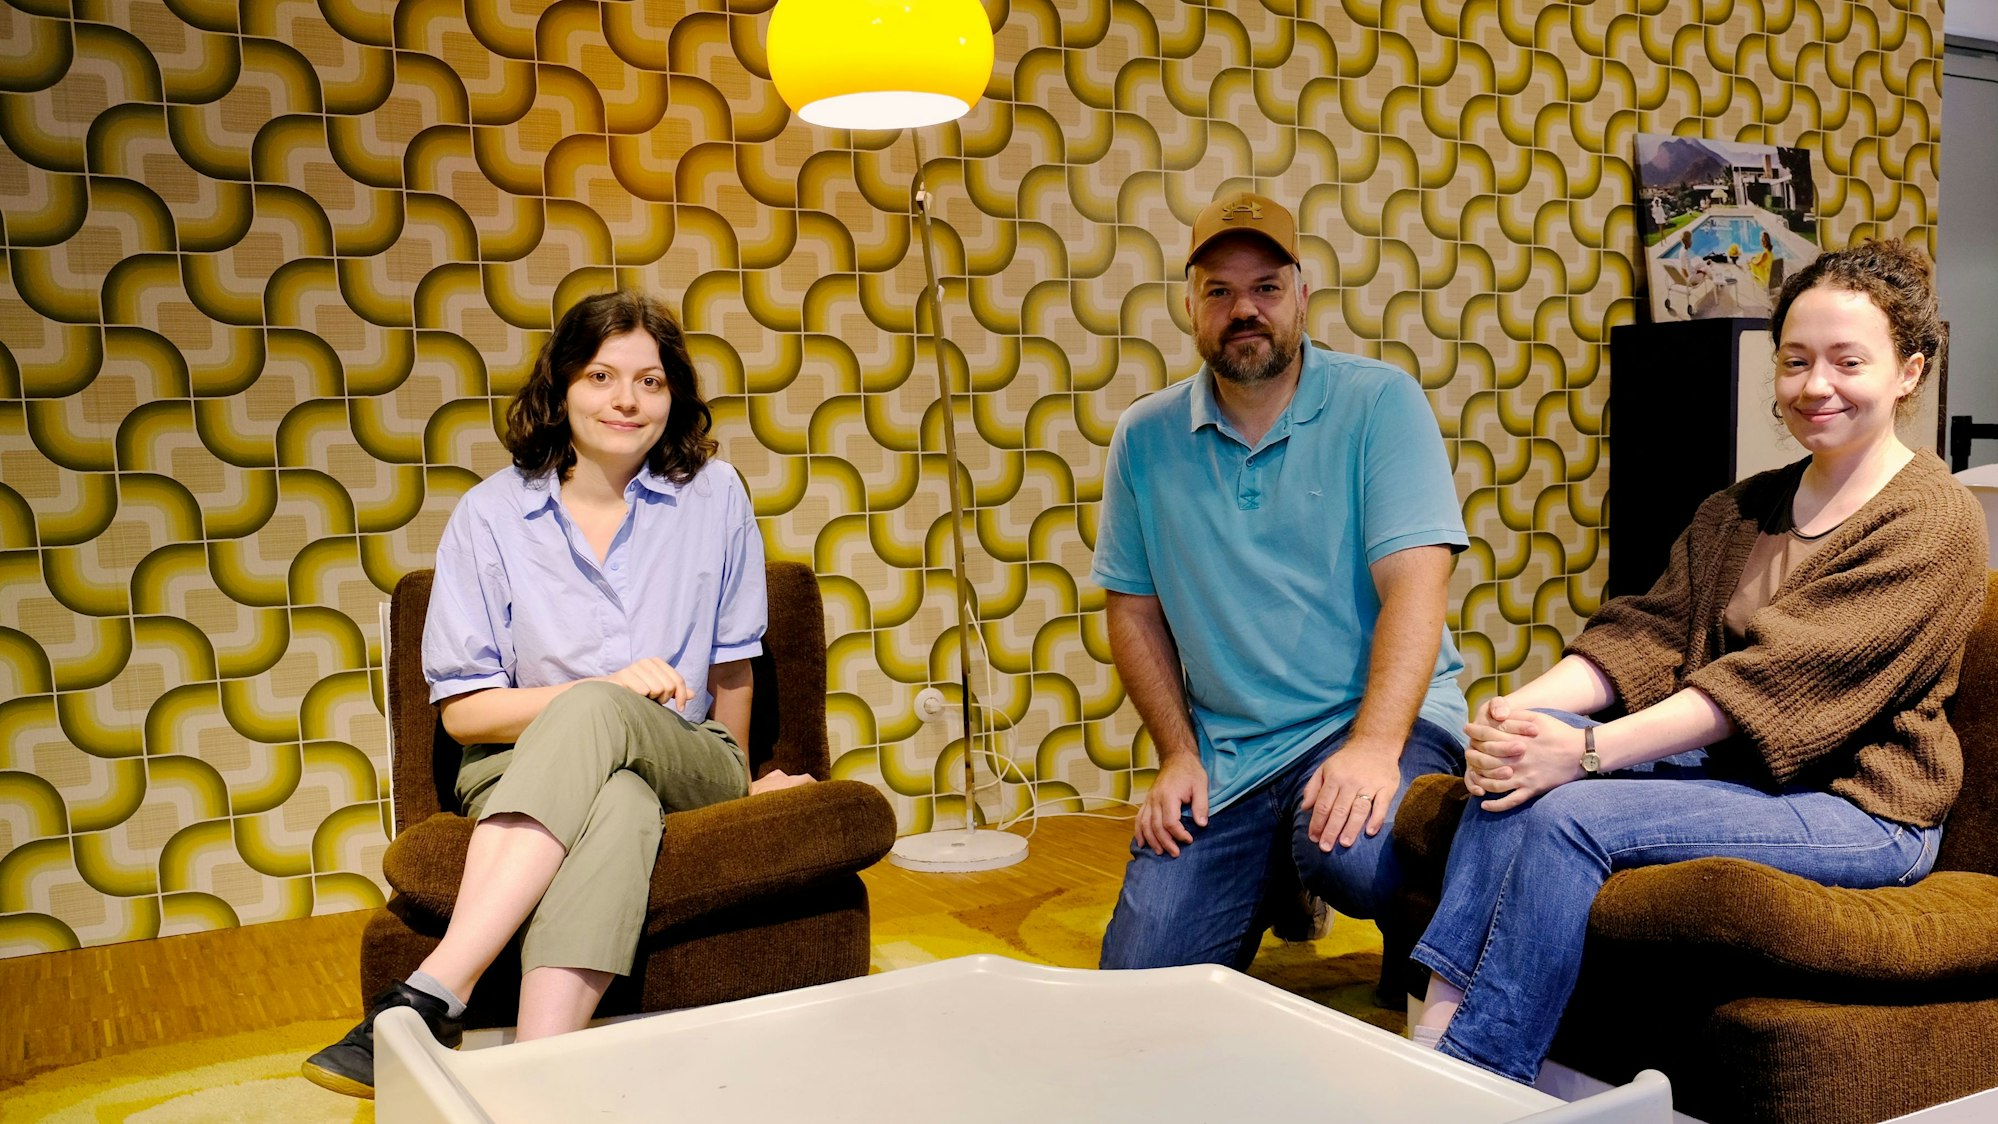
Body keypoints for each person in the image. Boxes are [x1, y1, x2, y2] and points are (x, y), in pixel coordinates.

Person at [1407, 240, 1988, 1084]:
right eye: (1795, 361)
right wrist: (1519, 714)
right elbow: (1646, 635)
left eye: (1847, 361)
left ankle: (1476, 1075)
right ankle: (1432, 1051)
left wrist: (1587, 751)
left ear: (1909, 371)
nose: (1815, 385)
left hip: (1862, 809)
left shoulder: (1932, 521)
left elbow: (1771, 686)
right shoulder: (1745, 506)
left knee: (1568, 812)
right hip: (1739, 776)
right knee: (1523, 762)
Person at [302, 291, 812, 1098]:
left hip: (688, 753)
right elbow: (465, 715)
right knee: (617, 797)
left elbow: (732, 669)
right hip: (516, 764)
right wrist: (601, 690)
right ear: (562, 385)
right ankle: (534, 1079)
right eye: (602, 376)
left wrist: (738, 783)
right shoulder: (490, 516)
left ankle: (434, 990)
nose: (626, 400)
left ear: (673, 395)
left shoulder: (715, 495)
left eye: (650, 381)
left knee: (602, 713)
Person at [1092, 191, 1469, 971]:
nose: (1245, 310)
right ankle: (1279, 871)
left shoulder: (1381, 402)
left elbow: (1417, 587)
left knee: (1355, 855)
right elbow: (1133, 612)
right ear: (1190, 308)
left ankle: (1393, 917)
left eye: (1266, 287)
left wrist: (1374, 746)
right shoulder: (1144, 438)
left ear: (1303, 296)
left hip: (1371, 718)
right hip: (1231, 756)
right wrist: (1177, 755)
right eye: (1219, 292)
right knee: (1136, 988)